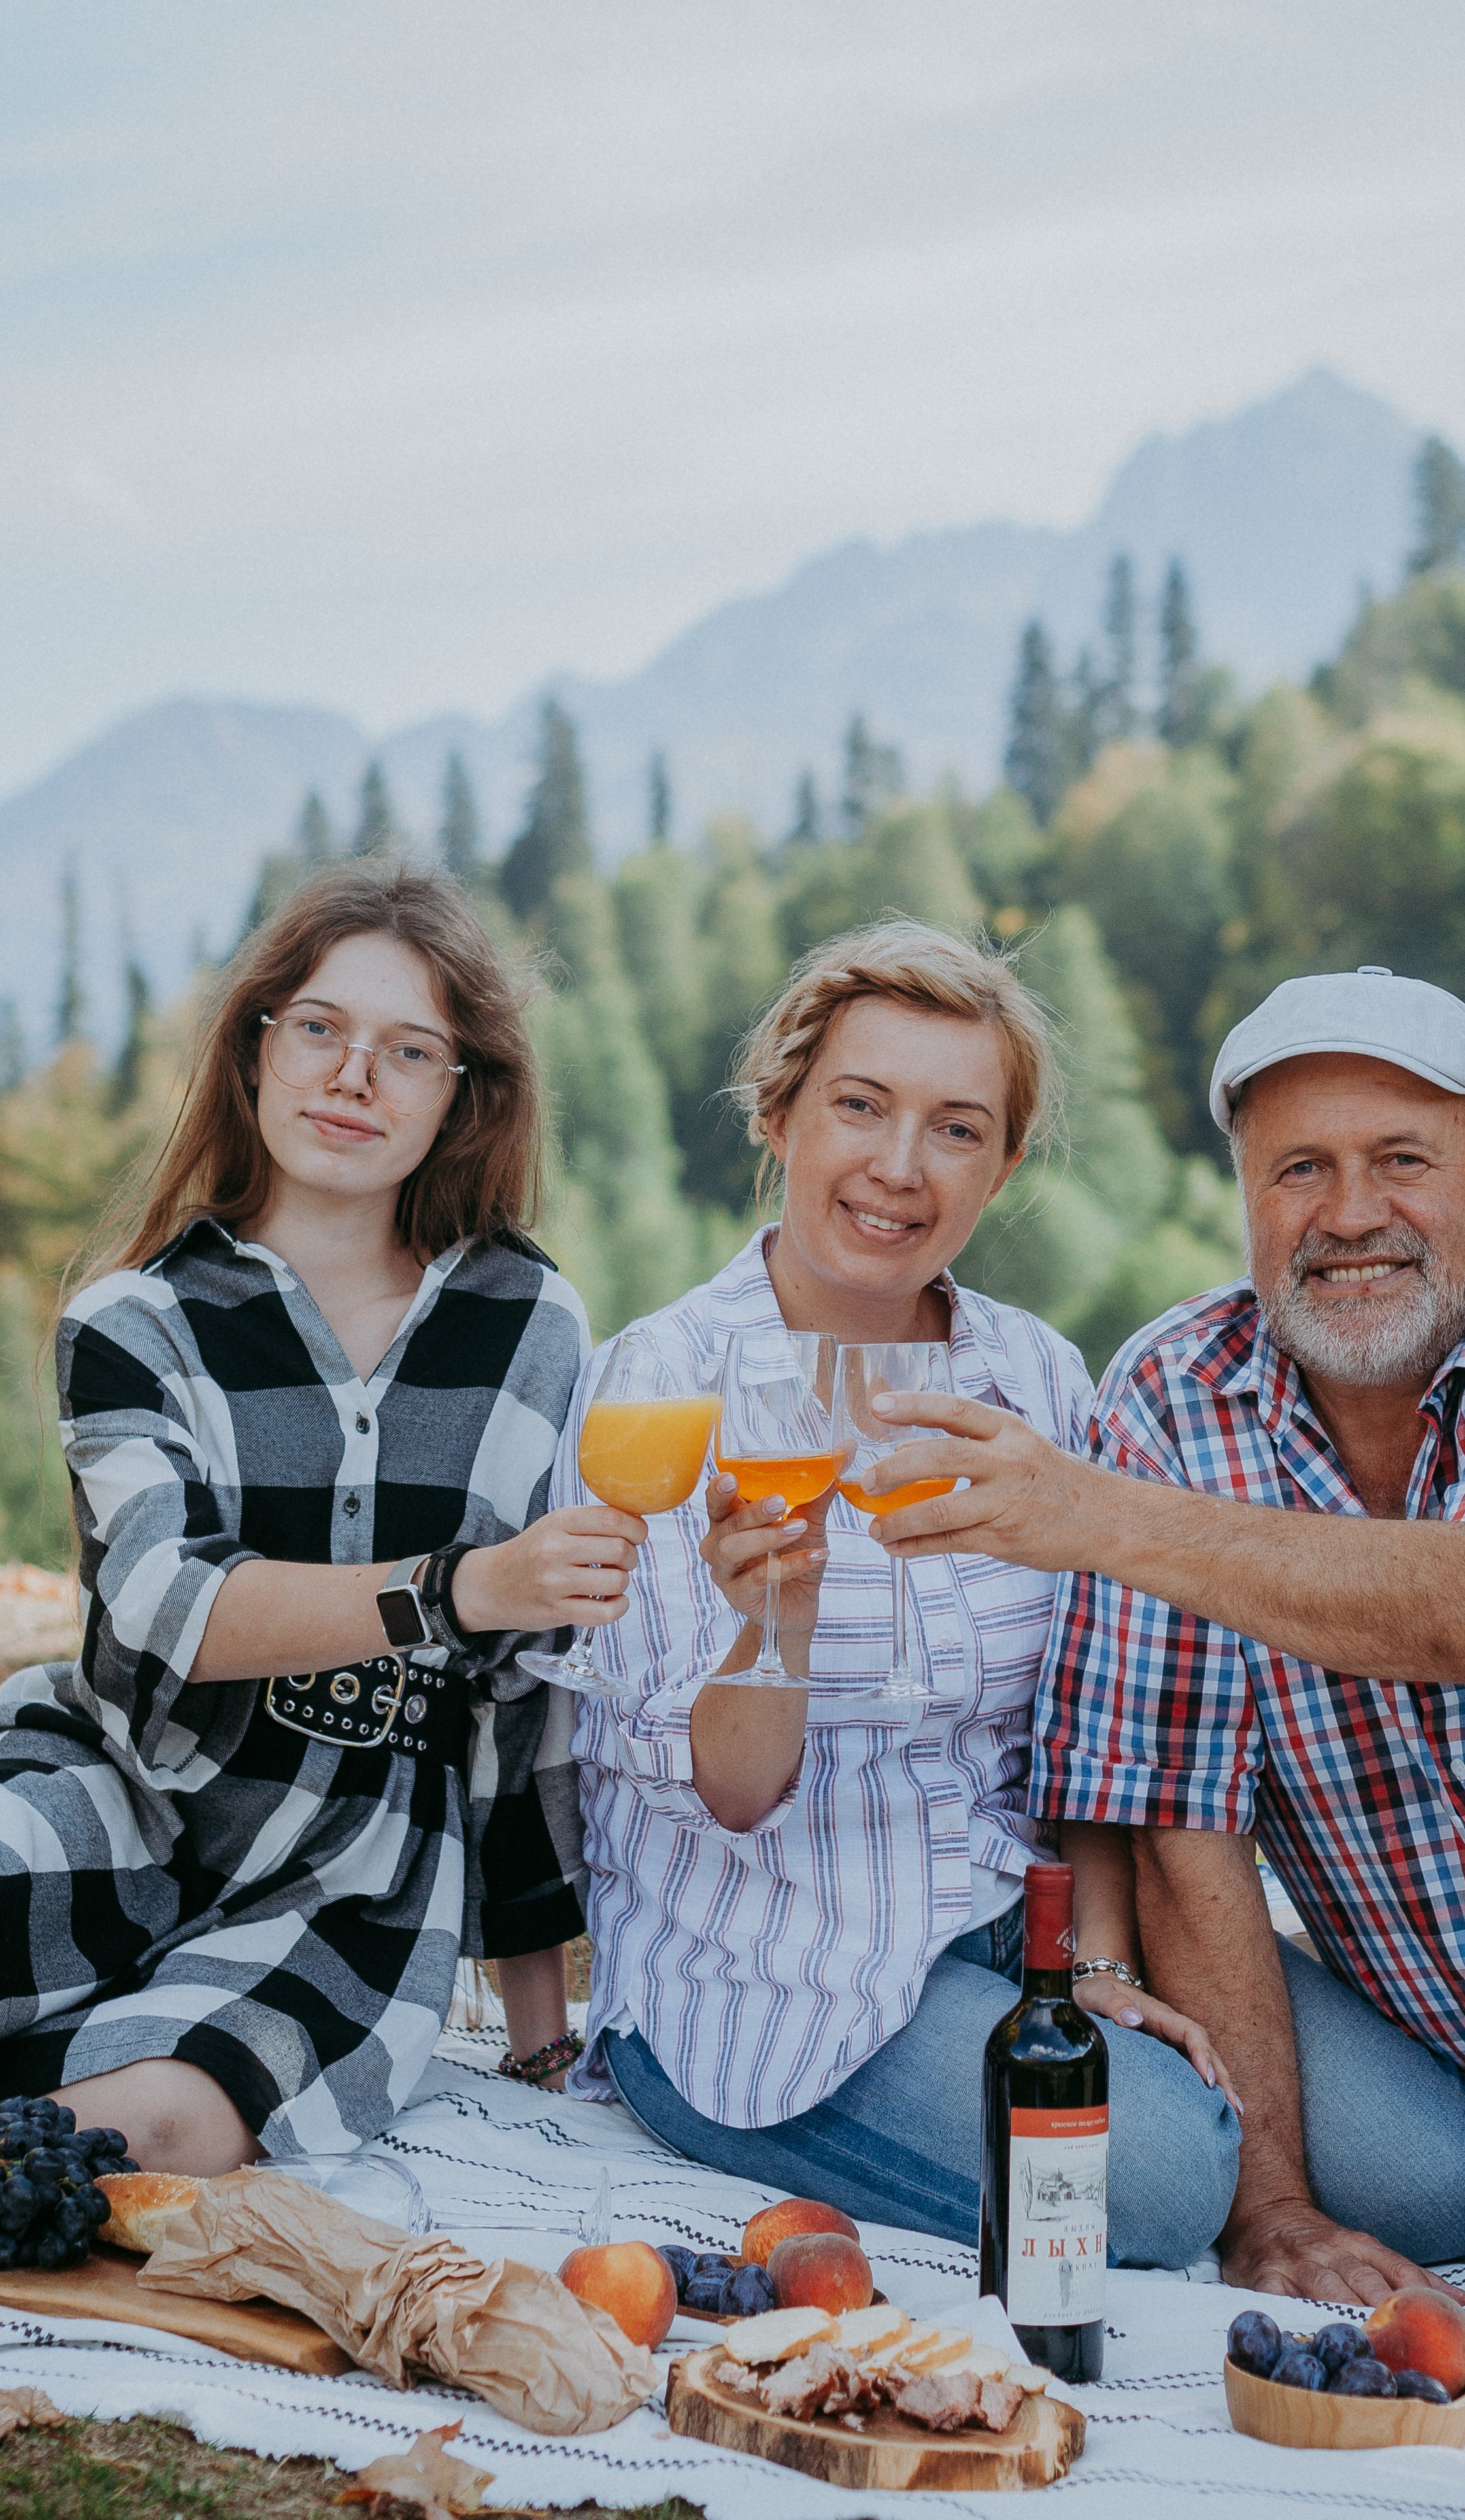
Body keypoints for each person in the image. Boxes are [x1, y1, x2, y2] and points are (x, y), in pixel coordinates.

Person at [867, 965, 1465, 2301]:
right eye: (1297, 1168)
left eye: (1400, 1159)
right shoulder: (1173, 1403)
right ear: (1245, 1195)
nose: (1349, 1213)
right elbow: (1181, 1829)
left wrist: (1095, 1514)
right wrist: (1273, 2209)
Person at [544, 919, 1242, 2266]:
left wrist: (1093, 1960)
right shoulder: (669, 1379)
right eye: (858, 1106)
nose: (897, 1167)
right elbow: (732, 1793)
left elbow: (1090, 1722)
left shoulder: (1032, 1378)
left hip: (997, 1919)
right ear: (779, 1115)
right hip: (760, 1976)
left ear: (1002, 1167)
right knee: (1157, 2181)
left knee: (1422, 2171)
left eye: (956, 1128)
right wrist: (772, 1625)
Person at [0, 863, 645, 2171]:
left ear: (462, 1093)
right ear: (254, 1052)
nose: (355, 1077)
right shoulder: (134, 1323)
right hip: (117, 1786)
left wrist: (536, 2042)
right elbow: (167, 1614)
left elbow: (522, 1698)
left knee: (153, 2126)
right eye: (320, 1029)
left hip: (352, 1866)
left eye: (411, 1050)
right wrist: (455, 1588)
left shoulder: (527, 1325)